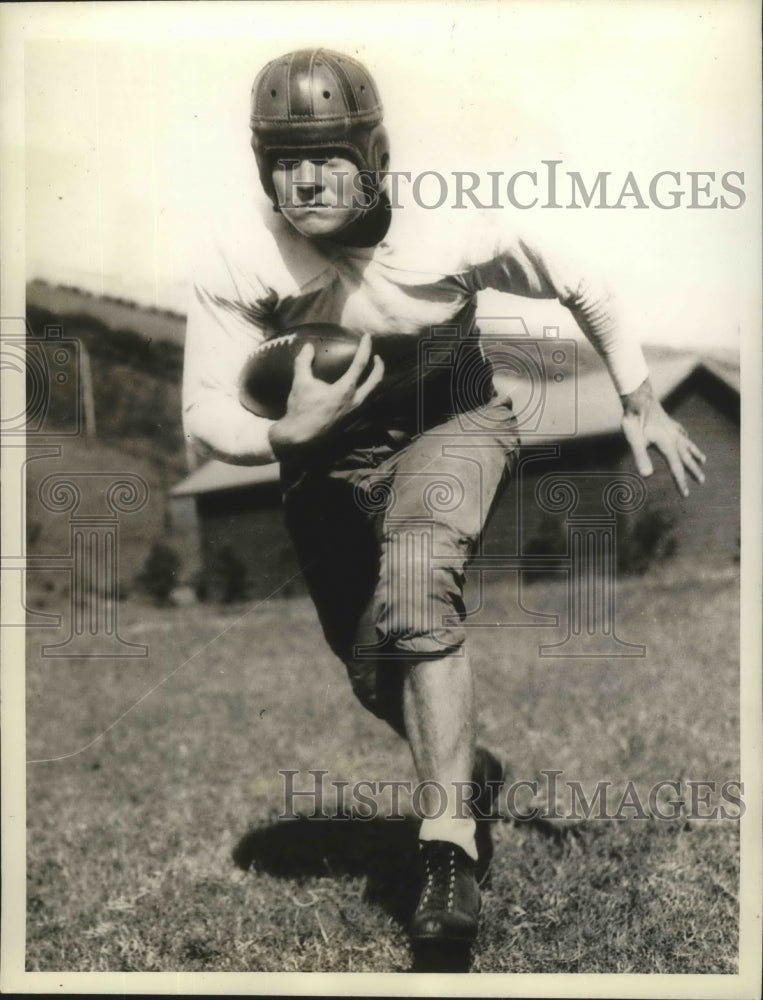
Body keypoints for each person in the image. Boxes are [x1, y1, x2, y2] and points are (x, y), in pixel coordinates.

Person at [183, 47, 706, 948]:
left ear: (374, 152)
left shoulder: (453, 215)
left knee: (419, 580)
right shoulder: (238, 249)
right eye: (282, 160)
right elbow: (203, 410)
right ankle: (471, 776)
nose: (303, 180)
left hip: (450, 421)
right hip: (324, 462)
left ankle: (447, 855)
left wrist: (638, 399)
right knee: (372, 670)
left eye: (327, 155)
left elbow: (582, 283)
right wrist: (282, 435)